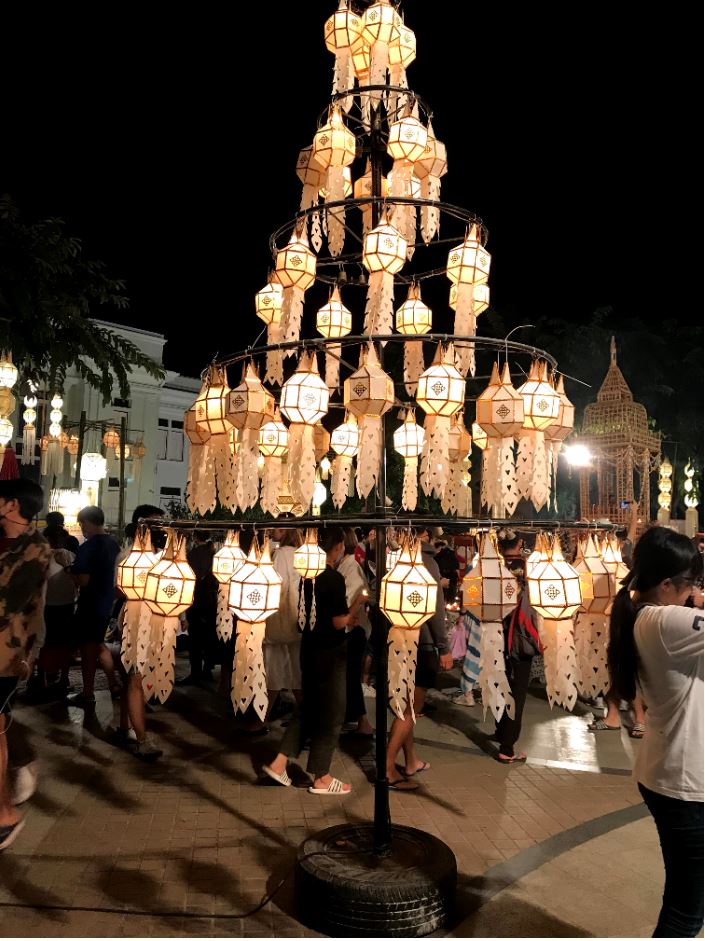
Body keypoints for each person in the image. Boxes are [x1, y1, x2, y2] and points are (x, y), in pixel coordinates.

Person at [607, 526, 703, 937]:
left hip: (672, 772)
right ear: (667, 585)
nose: (693, 591)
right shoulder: (666, 622)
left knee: (687, 902)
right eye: (690, 584)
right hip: (682, 782)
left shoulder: (647, 615)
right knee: (687, 912)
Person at [263, 527, 361, 795]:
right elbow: (337, 622)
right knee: (332, 713)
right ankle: (322, 777)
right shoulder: (334, 578)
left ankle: (280, 762)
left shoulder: (309, 577)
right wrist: (356, 610)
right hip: (330, 653)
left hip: (309, 650)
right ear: (339, 546)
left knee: (309, 708)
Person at [0, 479, 52, 850]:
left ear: (11, 504)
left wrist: (27, 655)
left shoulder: (35, 548)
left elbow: (11, 603)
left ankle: (5, 813)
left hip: (5, 651)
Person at [385, 527, 451, 791]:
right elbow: (435, 608)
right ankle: (388, 767)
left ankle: (411, 761)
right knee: (411, 709)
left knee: (405, 705)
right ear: (426, 534)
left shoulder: (397, 559)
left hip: (398, 639)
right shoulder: (428, 563)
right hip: (422, 644)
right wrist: (443, 646)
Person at [108, 507, 164, 761]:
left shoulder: (162, 556)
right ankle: (142, 740)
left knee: (136, 677)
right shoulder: (129, 556)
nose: (160, 529)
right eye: (155, 524)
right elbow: (119, 591)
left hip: (155, 621)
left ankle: (123, 727)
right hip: (135, 621)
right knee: (135, 678)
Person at [494, 529, 539, 764]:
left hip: (493, 636)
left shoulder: (491, 566)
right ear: (520, 542)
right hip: (518, 638)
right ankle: (507, 746)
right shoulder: (529, 569)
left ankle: (500, 731)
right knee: (516, 692)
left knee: (499, 684)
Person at [68, 506, 121, 708]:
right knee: (99, 644)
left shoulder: (89, 546)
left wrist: (68, 571)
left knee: (88, 650)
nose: (82, 528)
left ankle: (88, 694)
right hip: (106, 603)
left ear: (88, 523)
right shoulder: (113, 544)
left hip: (90, 603)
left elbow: (83, 580)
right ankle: (113, 682)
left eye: (82, 524)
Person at [262, 528, 303, 723]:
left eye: (277, 528)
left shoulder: (281, 554)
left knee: (274, 673)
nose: (272, 531)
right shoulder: (302, 554)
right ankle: (307, 723)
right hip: (297, 620)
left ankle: (261, 720)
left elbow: (277, 585)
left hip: (280, 621)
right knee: (296, 675)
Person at [338, 528, 373, 736]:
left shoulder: (351, 567)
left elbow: (350, 599)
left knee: (350, 676)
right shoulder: (347, 565)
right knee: (348, 677)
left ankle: (363, 722)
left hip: (354, 630)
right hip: (351, 628)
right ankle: (356, 718)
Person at [178, 531, 218, 685]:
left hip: (195, 600)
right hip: (212, 601)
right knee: (209, 636)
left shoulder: (193, 554)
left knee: (195, 639)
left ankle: (196, 672)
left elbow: (188, 578)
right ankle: (207, 670)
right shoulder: (214, 553)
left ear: (194, 538)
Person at [435, 536, 460, 602]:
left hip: (444, 575)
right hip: (449, 576)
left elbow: (456, 566)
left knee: (443, 596)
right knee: (449, 596)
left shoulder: (437, 554)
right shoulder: (451, 553)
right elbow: (457, 567)